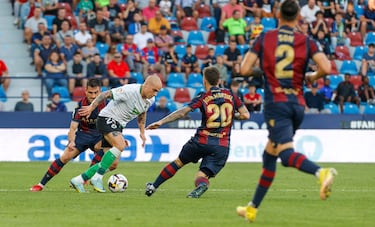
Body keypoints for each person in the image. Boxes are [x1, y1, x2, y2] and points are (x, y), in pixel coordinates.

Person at [236, 0, 337, 222]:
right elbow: (327, 67)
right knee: (269, 155)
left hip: (277, 104)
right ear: (298, 16)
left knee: (285, 154)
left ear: (278, 15)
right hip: (298, 104)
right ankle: (252, 208)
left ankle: (321, 173)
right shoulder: (306, 40)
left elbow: (243, 69)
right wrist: (310, 77)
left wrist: (263, 71)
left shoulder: (265, 38)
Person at [144, 66, 250, 198]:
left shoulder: (203, 96)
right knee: (202, 175)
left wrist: (161, 122)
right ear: (219, 80)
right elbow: (246, 115)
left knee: (178, 163)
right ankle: (202, 185)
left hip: (200, 141)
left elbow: (183, 112)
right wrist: (232, 116)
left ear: (204, 80)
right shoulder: (231, 95)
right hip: (221, 145)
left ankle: (153, 186)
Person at [69, 76, 163, 193]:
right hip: (106, 118)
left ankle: (78, 180)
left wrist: (142, 132)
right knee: (120, 145)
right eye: (154, 90)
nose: (155, 94)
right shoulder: (129, 90)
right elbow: (105, 94)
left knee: (113, 164)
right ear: (146, 85)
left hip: (118, 125)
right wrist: (91, 108)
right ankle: (97, 178)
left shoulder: (150, 100)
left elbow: (142, 115)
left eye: (158, 91)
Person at [30, 79, 113, 191]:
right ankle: (41, 184)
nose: (93, 96)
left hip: (99, 135)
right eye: (90, 92)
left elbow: (114, 123)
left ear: (101, 92)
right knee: (65, 157)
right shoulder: (80, 106)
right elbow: (73, 128)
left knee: (104, 149)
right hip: (83, 135)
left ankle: (85, 177)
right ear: (85, 91)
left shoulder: (107, 106)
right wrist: (71, 141)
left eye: (96, 93)